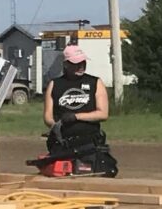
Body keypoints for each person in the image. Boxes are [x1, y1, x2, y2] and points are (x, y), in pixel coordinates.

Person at [42, 43, 118, 177]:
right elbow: (48, 116)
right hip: (64, 142)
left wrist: (76, 116)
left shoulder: (95, 82)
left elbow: (103, 113)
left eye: (82, 62)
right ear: (66, 64)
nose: (80, 66)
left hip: (89, 142)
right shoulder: (55, 84)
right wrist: (55, 126)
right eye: (76, 63)